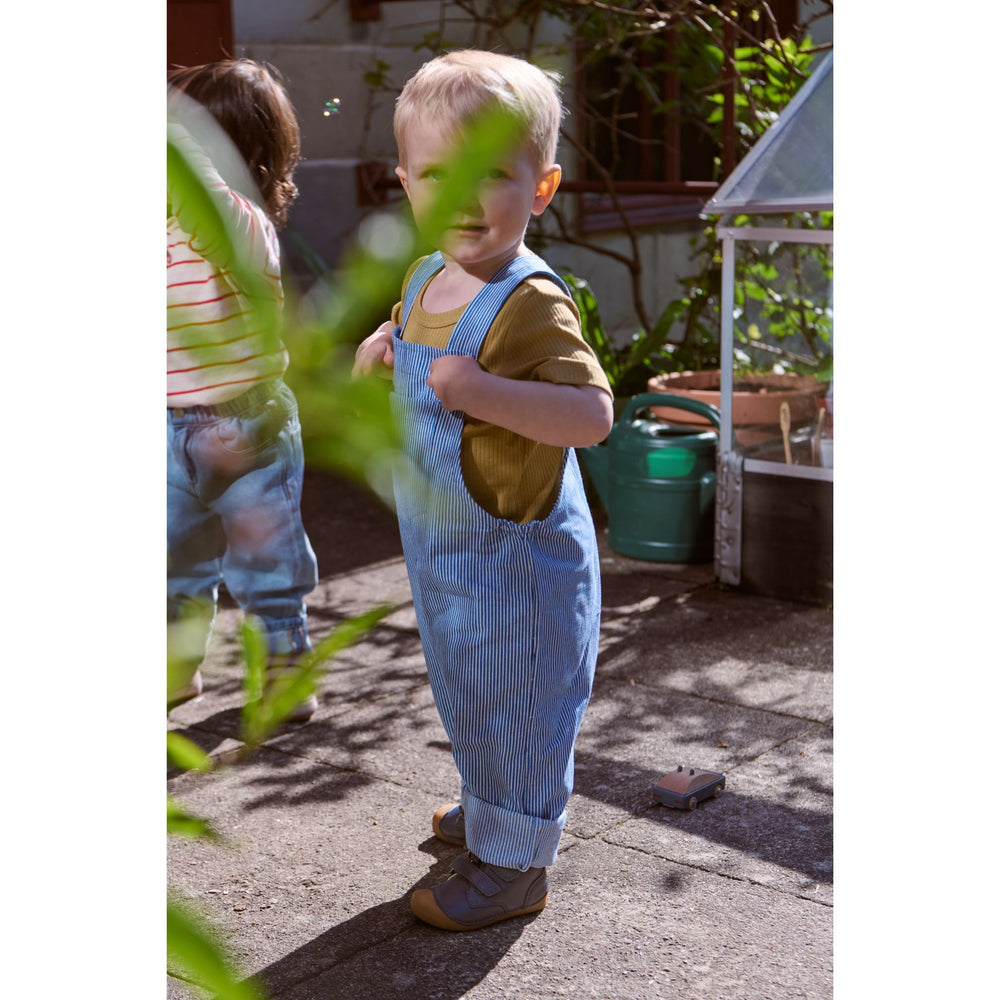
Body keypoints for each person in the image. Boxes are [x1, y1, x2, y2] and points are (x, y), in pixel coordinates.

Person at [353, 49, 614, 931]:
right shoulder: (429, 272)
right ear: (407, 183)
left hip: (517, 559)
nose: (463, 198)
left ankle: (515, 864)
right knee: (468, 688)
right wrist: (382, 348)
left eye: (492, 176)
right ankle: (495, 805)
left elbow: (592, 416)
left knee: (521, 702)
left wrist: (483, 391)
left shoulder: (529, 299)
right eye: (439, 175)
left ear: (541, 188)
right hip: (448, 551)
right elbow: (414, 329)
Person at [167, 60, 318, 721]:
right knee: (173, 563)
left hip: (245, 423)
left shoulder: (244, 226)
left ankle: (285, 673)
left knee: (267, 565)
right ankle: (175, 669)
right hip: (165, 425)